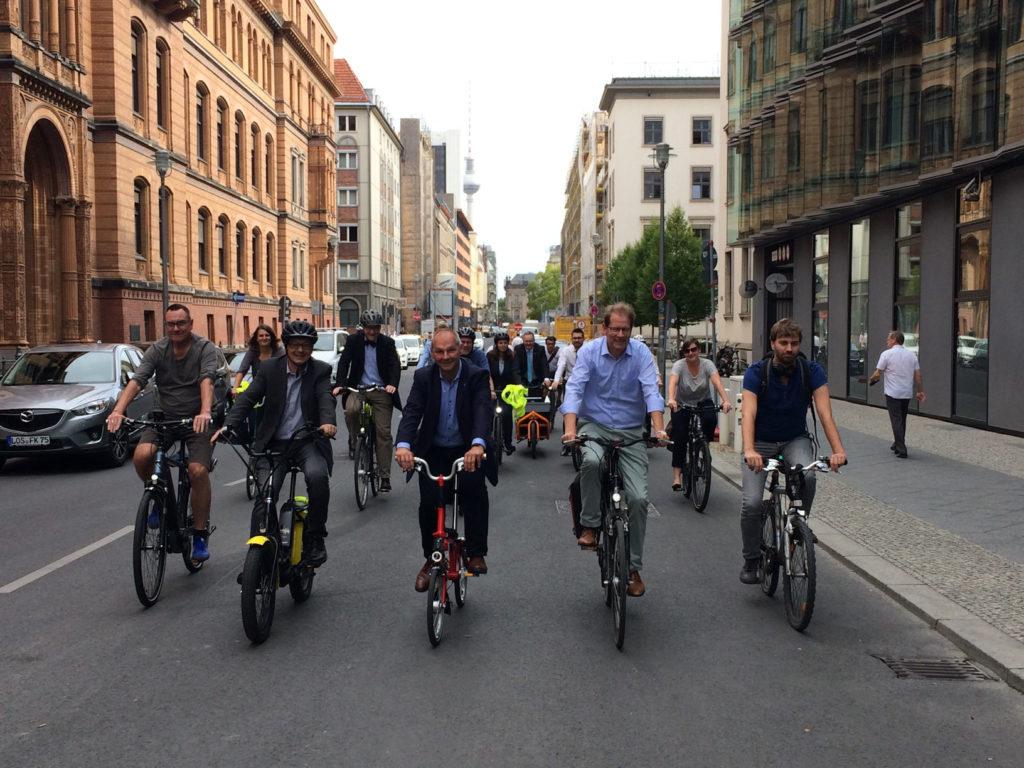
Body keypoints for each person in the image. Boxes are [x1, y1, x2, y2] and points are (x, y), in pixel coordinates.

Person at [561, 303, 668, 598]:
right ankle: (591, 527)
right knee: (592, 463)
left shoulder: (642, 354)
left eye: (625, 329)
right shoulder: (589, 352)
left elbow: (650, 391)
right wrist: (570, 429)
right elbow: (575, 389)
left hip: (631, 431)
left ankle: (632, 568)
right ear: (604, 328)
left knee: (638, 498)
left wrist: (658, 428)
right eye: (615, 328)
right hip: (594, 425)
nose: (620, 334)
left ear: (631, 330)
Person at [214, 320, 337, 566]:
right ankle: (259, 557)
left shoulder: (320, 371)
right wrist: (228, 424)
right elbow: (247, 399)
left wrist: (328, 423)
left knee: (317, 477)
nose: (300, 350)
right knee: (265, 494)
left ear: (311, 348)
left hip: (307, 441)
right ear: (287, 346)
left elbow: (325, 399)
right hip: (273, 444)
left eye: (305, 346)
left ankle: (314, 538)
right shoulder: (269, 369)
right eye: (294, 345)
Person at [739, 318, 847, 584]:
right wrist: (750, 449)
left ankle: (798, 527)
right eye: (784, 343)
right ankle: (751, 559)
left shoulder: (811, 371)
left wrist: (838, 450)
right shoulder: (757, 372)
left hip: (794, 439)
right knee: (752, 503)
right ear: (773, 343)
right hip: (761, 443)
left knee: (808, 476)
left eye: (794, 344)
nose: (789, 348)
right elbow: (748, 412)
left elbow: (824, 413)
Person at [106, 304, 219, 561]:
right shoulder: (158, 350)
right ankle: (157, 496)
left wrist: (204, 411)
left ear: (191, 324)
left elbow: (207, 380)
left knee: (197, 471)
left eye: (181, 323)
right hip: (163, 417)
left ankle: (200, 533)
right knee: (142, 456)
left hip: (195, 420)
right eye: (171, 324)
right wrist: (118, 411)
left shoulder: (205, 348)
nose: (176, 328)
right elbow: (138, 380)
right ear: (165, 326)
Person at [395, 328, 497, 591]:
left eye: (451, 350)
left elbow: (482, 411)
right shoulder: (423, 377)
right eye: (439, 351)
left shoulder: (476, 375)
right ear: (432, 353)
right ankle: (431, 558)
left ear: (460, 350)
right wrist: (404, 445)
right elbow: (412, 411)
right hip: (434, 449)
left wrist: (477, 445)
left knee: (473, 491)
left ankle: (475, 552)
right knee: (428, 503)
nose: (446, 356)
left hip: (467, 449)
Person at [332, 310, 402, 491]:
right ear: (363, 328)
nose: (372, 332)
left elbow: (395, 366)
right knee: (351, 411)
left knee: (383, 433)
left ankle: (385, 476)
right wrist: (340, 384)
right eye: (369, 328)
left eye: (376, 328)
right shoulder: (353, 341)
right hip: (358, 388)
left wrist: (392, 384)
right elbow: (344, 363)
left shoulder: (387, 343)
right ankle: (355, 441)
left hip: (380, 390)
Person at [666, 337, 733, 491]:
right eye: (687, 350)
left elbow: (717, 382)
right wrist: (671, 398)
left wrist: (725, 400)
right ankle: (677, 476)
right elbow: (673, 383)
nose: (691, 353)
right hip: (682, 403)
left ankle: (704, 446)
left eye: (694, 349)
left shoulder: (707, 364)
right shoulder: (679, 366)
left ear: (699, 350)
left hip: (703, 401)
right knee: (681, 436)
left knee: (710, 419)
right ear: (684, 353)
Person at [868, 330, 925, 459]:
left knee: (896, 419)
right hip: (906, 393)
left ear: (894, 339)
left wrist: (871, 380)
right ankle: (897, 443)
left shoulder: (886, 354)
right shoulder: (912, 355)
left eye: (888, 339)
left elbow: (878, 373)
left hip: (893, 393)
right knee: (901, 419)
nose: (887, 341)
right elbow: (918, 376)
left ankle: (901, 448)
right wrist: (920, 391)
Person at [548, 328, 586, 452]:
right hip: (570, 383)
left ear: (583, 338)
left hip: (587, 383)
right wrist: (556, 380)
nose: (577, 340)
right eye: (575, 338)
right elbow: (561, 365)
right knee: (569, 411)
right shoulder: (566, 351)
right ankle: (567, 444)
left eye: (579, 337)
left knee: (587, 412)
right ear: (571, 338)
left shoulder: (588, 350)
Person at [486, 331, 521, 455]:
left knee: (507, 415)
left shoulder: (512, 356)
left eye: (505, 343)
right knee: (488, 414)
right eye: (500, 343)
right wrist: (490, 389)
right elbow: (486, 373)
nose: (503, 345)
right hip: (492, 390)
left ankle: (507, 442)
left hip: (507, 390)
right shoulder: (489, 356)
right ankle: (487, 440)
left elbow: (515, 371)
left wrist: (518, 385)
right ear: (496, 344)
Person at [232, 324, 284, 390]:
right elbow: (242, 370)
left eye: (267, 335)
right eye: (261, 336)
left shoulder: (279, 351)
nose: (264, 338)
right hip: (258, 391)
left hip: (277, 389)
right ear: (256, 338)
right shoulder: (252, 352)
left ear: (271, 337)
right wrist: (235, 388)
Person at [514, 331, 548, 397]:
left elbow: (544, 365)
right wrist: (519, 383)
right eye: (526, 341)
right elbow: (516, 368)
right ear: (523, 341)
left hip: (537, 382)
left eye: (531, 341)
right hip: (523, 383)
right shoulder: (518, 349)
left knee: (538, 404)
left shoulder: (540, 349)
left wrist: (546, 378)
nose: (528, 343)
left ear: (534, 341)